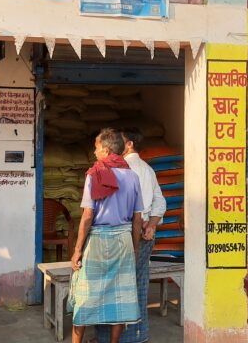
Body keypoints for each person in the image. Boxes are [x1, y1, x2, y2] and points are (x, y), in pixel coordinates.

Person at [71, 128, 143, 343]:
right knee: (120, 296)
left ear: (105, 149)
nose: (94, 152)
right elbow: (137, 219)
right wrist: (135, 247)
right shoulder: (132, 176)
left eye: (96, 147)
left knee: (85, 294)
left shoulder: (95, 173)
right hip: (123, 240)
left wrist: (77, 251)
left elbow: (87, 216)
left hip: (99, 240)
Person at [97, 128, 167, 343]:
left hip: (125, 233)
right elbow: (160, 202)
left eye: (121, 141)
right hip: (145, 233)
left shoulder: (121, 169)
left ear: (128, 145)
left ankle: (110, 338)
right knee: (139, 285)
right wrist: (152, 225)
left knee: (113, 287)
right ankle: (138, 335)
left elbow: (126, 210)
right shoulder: (147, 169)